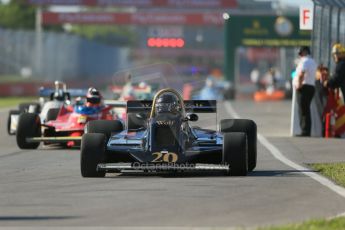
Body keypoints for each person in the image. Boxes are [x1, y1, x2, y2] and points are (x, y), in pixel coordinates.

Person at [293, 46, 317, 137]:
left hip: (304, 87)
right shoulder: (312, 61)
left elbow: (301, 73)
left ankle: (305, 131)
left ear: (305, 52)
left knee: (303, 110)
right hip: (310, 87)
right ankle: (306, 130)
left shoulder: (304, 61)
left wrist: (299, 84)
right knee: (306, 110)